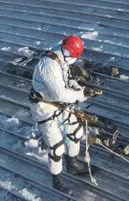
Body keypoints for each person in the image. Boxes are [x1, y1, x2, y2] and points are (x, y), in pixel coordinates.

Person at [30, 35, 97, 191]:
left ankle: (72, 163)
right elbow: (59, 94)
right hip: (45, 107)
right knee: (57, 146)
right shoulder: (50, 65)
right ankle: (57, 180)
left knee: (75, 130)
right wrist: (80, 95)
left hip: (59, 105)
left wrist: (80, 88)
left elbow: (65, 81)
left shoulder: (61, 60)